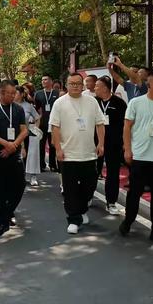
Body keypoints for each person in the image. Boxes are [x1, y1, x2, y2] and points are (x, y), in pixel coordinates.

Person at [49, 73, 105, 234]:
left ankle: (81, 210)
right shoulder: (60, 103)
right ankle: (73, 219)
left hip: (88, 153)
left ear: (83, 85)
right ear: (66, 85)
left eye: (78, 83)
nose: (75, 86)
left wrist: (101, 143)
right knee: (70, 189)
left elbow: (100, 124)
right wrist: (58, 149)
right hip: (68, 154)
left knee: (90, 185)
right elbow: (55, 127)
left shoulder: (92, 101)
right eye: (72, 83)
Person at [119, 69, 153, 245]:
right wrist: (127, 149)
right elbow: (127, 127)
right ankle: (128, 221)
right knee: (134, 193)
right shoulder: (136, 103)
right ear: (149, 83)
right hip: (139, 155)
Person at [0, 81, 28, 236]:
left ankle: (9, 211)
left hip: (14, 153)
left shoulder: (18, 109)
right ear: (2, 92)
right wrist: (5, 144)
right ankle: (2, 221)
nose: (13, 96)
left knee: (19, 184)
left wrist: (14, 145)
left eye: (14, 93)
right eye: (10, 93)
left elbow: (24, 130)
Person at [94, 76, 127, 215]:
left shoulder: (119, 103)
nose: (95, 88)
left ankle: (111, 202)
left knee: (113, 173)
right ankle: (88, 196)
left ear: (106, 88)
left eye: (97, 86)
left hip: (114, 143)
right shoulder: (93, 102)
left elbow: (126, 125)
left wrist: (126, 142)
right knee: (93, 171)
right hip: (95, 142)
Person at [15, 85, 40, 186]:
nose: (13, 95)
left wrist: (35, 129)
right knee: (17, 156)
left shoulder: (28, 106)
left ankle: (33, 176)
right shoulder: (10, 105)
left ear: (21, 94)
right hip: (14, 134)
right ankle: (20, 176)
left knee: (31, 155)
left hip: (27, 133)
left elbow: (37, 117)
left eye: (16, 93)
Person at [34, 75, 59, 172]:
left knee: (53, 144)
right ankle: (41, 164)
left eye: (46, 79)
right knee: (41, 144)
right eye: (42, 80)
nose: (43, 81)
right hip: (42, 123)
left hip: (53, 123)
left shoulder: (56, 93)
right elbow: (36, 109)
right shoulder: (38, 94)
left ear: (51, 81)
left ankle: (53, 164)